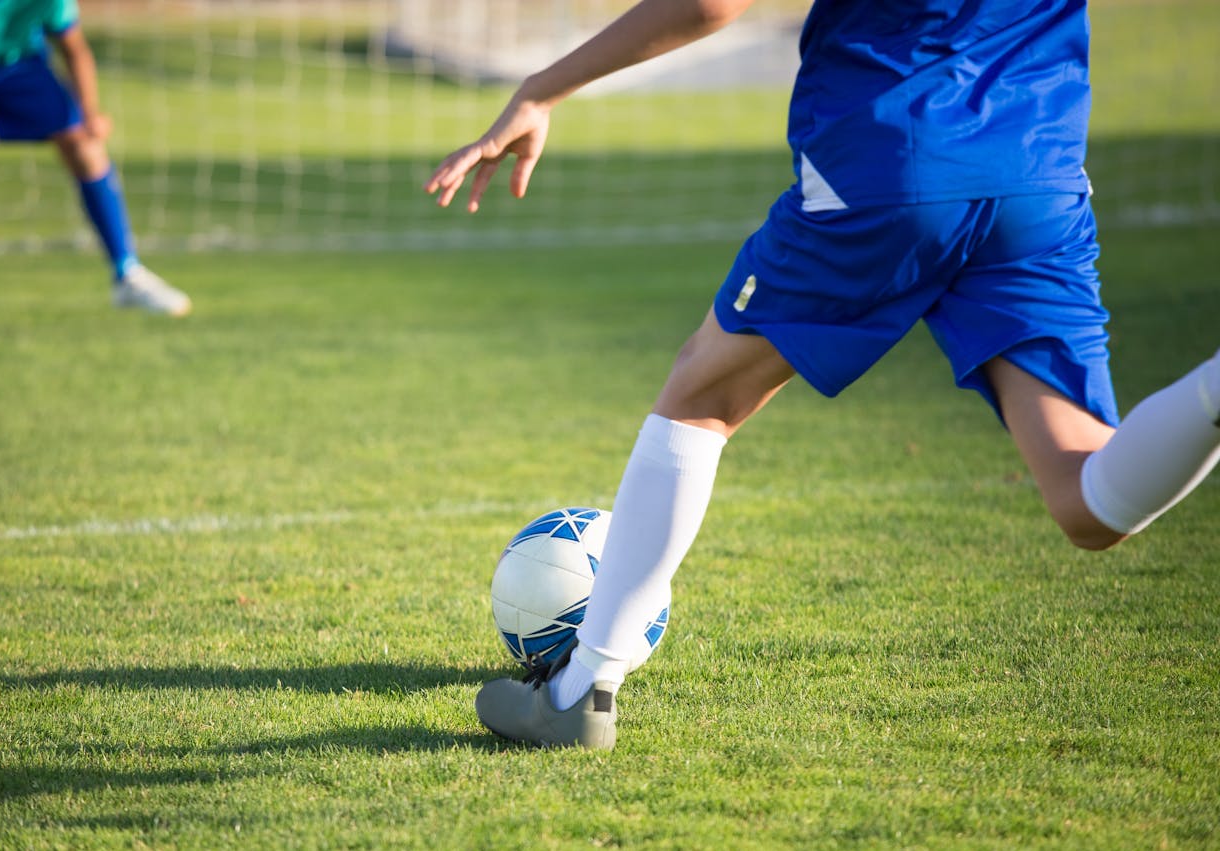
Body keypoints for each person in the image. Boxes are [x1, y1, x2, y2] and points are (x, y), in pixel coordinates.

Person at [426, 0, 1220, 750]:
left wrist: (542, 87)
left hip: (888, 160)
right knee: (1089, 500)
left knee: (704, 394)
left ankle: (579, 692)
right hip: (1037, 177)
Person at [0, 0, 190, 316]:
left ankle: (128, 274)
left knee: (85, 146)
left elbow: (75, 49)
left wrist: (90, 114)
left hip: (14, 62)